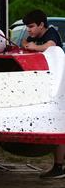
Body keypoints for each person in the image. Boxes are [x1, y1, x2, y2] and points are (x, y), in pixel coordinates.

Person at [22, 9, 65, 178]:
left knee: (59, 126)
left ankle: (59, 166)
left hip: (59, 87)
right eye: (27, 26)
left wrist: (34, 48)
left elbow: (50, 47)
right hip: (52, 86)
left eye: (31, 26)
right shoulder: (37, 35)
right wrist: (29, 44)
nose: (29, 30)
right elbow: (26, 41)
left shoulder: (51, 33)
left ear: (42, 25)